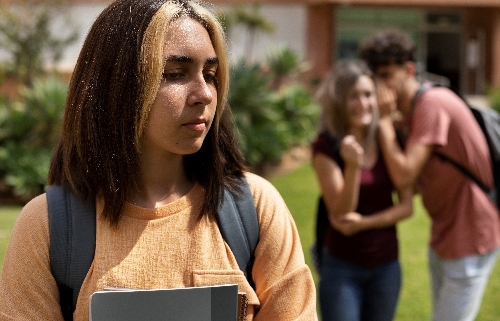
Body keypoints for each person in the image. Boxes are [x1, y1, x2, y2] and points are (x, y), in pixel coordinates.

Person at [0, 1, 318, 320]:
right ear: (118, 85)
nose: (204, 94)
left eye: (209, 74)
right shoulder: (48, 226)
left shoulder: (255, 208)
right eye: (175, 74)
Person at [360, 29, 500, 321]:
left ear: (409, 70)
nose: (381, 86)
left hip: (471, 236)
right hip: (446, 234)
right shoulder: (411, 114)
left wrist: (384, 121)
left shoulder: (432, 104)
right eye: (376, 77)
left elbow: (405, 177)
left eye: (387, 75)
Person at [311, 60, 413, 321]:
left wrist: (365, 223)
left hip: (387, 266)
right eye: (353, 96)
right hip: (342, 268)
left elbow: (407, 206)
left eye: (368, 95)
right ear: (339, 102)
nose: (363, 103)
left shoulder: (388, 138)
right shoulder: (326, 146)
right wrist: (353, 166)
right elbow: (341, 210)